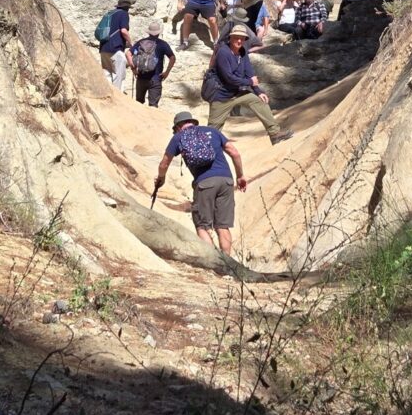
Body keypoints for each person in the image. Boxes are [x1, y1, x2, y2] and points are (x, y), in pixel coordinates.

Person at [155, 111, 247, 255]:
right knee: (222, 226)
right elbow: (234, 153)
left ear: (178, 126)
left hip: (205, 183)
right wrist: (240, 176)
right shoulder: (213, 131)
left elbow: (164, 164)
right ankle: (228, 263)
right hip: (226, 181)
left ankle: (214, 261)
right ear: (193, 122)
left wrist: (161, 178)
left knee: (202, 226)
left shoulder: (178, 137)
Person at [208, 24, 293, 145]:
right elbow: (228, 78)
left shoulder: (242, 52)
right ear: (230, 38)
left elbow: (249, 72)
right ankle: (206, 149)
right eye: (236, 38)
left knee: (259, 101)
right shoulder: (223, 52)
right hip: (221, 96)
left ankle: (275, 134)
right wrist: (250, 82)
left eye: (242, 38)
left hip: (237, 93)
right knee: (212, 130)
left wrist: (258, 91)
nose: (239, 41)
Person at [126, 20, 176, 108]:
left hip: (141, 77)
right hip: (155, 79)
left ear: (149, 32)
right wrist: (167, 72)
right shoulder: (162, 44)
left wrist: (133, 69)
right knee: (153, 106)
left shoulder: (141, 42)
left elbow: (128, 53)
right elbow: (172, 58)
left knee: (138, 104)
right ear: (158, 33)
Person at [98, 0, 132, 90]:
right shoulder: (124, 14)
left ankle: (107, 93)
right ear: (127, 7)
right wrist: (130, 42)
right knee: (119, 75)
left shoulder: (109, 14)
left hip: (104, 48)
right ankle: (117, 96)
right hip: (116, 48)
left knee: (107, 74)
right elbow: (124, 31)